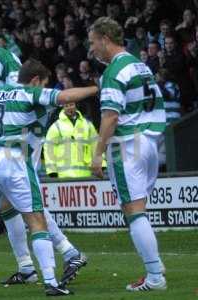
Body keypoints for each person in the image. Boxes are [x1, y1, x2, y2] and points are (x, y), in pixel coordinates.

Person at [0, 59, 99, 299]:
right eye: (43, 83)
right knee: (37, 222)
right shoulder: (28, 94)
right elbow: (65, 97)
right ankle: (51, 282)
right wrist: (97, 88)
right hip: (14, 160)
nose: (44, 87)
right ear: (35, 81)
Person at [0, 17, 87, 286]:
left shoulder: (3, 57)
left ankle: (68, 252)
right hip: (6, 137)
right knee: (9, 204)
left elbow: (19, 95)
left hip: (23, 136)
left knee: (27, 202)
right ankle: (28, 266)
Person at [88, 17, 167, 291]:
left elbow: (110, 116)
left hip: (127, 145)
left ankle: (155, 276)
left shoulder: (113, 71)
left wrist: (97, 155)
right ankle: (156, 267)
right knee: (138, 209)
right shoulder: (140, 65)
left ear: (105, 40)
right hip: (149, 141)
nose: (92, 49)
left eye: (93, 42)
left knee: (133, 211)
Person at [44, 102, 100, 178]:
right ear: (63, 108)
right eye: (66, 106)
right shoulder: (56, 126)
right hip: (64, 175)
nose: (69, 108)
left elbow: (96, 144)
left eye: (71, 105)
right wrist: (52, 171)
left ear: (76, 106)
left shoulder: (87, 125)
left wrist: (101, 164)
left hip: (86, 174)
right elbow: (49, 148)